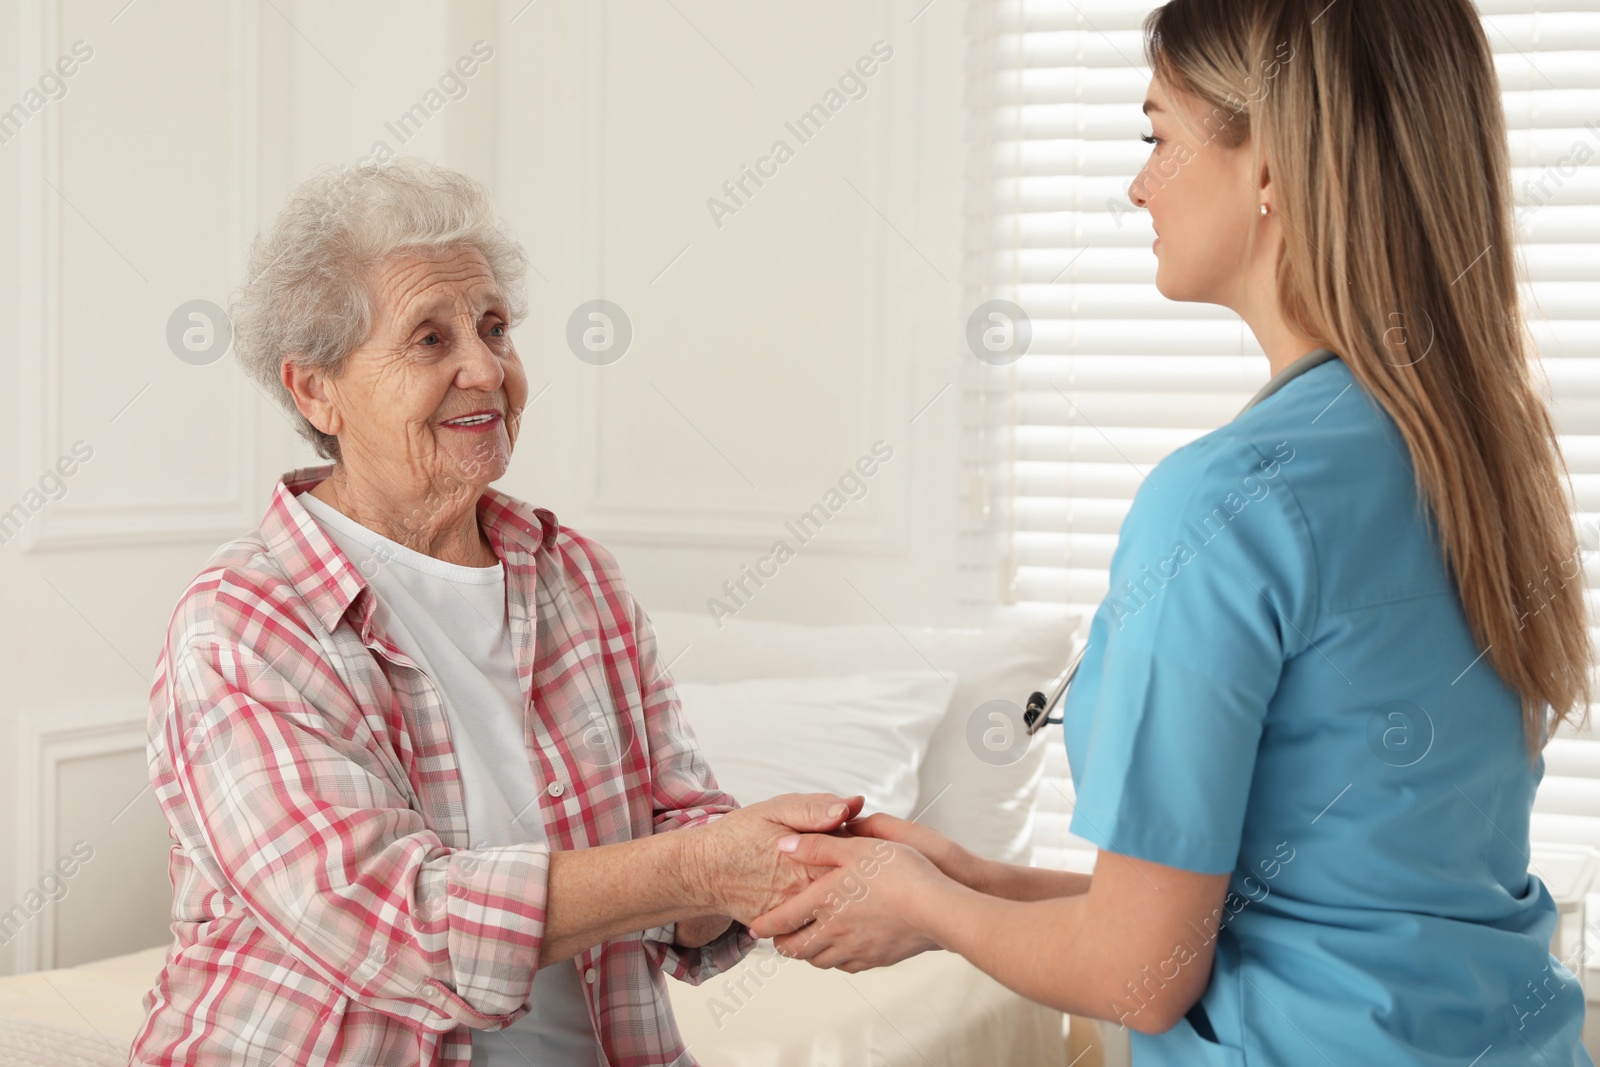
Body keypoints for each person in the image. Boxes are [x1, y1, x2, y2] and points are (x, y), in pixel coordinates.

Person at [751, 1, 1595, 1063]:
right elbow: (1303, 911)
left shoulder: (1226, 498)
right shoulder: (1476, 466)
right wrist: (961, 876)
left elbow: (1136, 976)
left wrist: (925, 909)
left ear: (1271, 170)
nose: (1136, 184)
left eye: (1156, 135)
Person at [129, 157, 862, 1066]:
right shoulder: (243, 622)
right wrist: (703, 865)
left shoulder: (576, 575)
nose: (487, 368)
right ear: (316, 389)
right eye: (430, 341)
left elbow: (681, 819)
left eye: (494, 327)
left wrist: (789, 858)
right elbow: (396, 924)